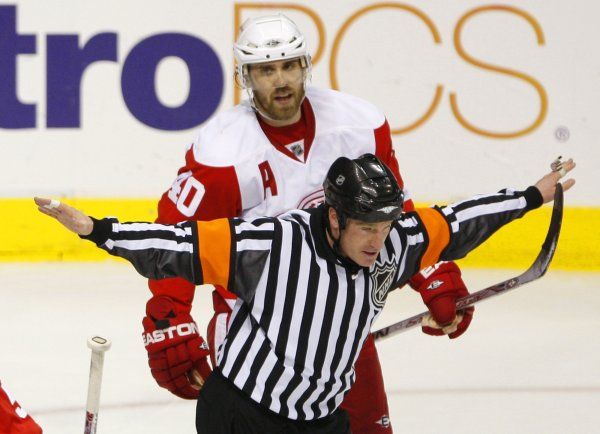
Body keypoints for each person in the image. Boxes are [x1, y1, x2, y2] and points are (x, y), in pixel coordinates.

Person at [34, 153, 575, 434]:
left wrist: (529, 195)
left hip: (323, 420)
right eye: (365, 226)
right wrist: (98, 229)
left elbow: (457, 224)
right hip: (243, 416)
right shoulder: (270, 245)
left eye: (385, 224)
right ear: (334, 217)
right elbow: (177, 245)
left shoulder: (393, 240)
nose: (377, 240)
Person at [144, 14, 473, 433]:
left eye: (289, 65)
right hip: (254, 334)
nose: (280, 81)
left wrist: (432, 271)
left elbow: (392, 215)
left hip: (343, 328)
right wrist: (169, 318)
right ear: (247, 76)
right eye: (266, 70)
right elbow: (177, 237)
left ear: (306, 65)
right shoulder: (223, 152)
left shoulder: (358, 126)